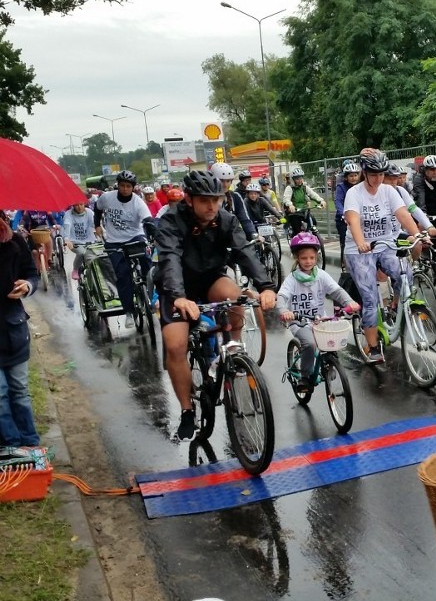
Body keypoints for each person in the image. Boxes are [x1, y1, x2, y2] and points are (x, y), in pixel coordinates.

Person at [155, 170, 277, 440]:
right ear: (189, 199)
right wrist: (178, 296)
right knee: (176, 345)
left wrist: (266, 286)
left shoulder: (226, 219)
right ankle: (187, 410)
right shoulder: (171, 222)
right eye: (204, 201)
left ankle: (232, 353)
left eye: (216, 200)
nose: (212, 207)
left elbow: (245, 251)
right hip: (176, 288)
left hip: (210, 279)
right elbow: (170, 259)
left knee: (235, 298)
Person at [344, 149, 424, 363]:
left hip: (385, 244)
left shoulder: (388, 191)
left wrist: (417, 234)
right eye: (373, 174)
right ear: (364, 172)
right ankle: (372, 347)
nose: (378, 178)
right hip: (359, 250)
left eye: (381, 173)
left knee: (405, 271)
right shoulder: (355, 193)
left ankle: (396, 304)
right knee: (370, 299)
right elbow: (352, 220)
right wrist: (361, 242)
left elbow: (404, 215)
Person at [277, 232, 360, 393]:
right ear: (297, 259)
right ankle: (305, 377)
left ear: (316, 257)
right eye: (304, 258)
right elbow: (281, 296)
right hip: (299, 322)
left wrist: (349, 302)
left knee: (331, 339)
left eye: (311, 258)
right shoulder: (292, 279)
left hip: (319, 320)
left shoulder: (321, 275)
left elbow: (337, 291)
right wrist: (284, 310)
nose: (308, 261)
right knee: (310, 344)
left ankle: (330, 363)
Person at [94, 169, 154, 328]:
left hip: (135, 236)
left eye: (128, 186)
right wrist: (97, 226)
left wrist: (156, 234)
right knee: (123, 276)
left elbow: (147, 219)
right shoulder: (107, 198)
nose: (125, 189)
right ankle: (128, 312)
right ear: (118, 186)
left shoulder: (138, 202)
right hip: (114, 241)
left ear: (133, 187)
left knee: (148, 264)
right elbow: (97, 209)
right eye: (122, 185)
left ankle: (151, 296)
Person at [0, 213, 40, 448]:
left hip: (13, 328)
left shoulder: (15, 241)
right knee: (1, 396)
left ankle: (30, 443)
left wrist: (27, 286)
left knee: (19, 390)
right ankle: (11, 447)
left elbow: (31, 274)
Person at [210, 162, 258, 240]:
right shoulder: (207, 199)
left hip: (232, 238)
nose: (225, 185)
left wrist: (253, 234)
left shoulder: (235, 197)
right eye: (221, 181)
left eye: (228, 181)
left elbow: (245, 220)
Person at [281, 166, 326, 236]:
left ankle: (308, 234)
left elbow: (313, 194)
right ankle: (295, 240)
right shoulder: (289, 188)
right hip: (294, 213)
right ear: (293, 180)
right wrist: (290, 205)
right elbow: (286, 198)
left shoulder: (304, 187)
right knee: (297, 229)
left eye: (301, 178)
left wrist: (321, 201)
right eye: (297, 179)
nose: (300, 180)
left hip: (304, 211)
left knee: (313, 222)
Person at [334, 161, 362, 265]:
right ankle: (344, 264)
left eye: (355, 175)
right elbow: (338, 201)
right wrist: (344, 214)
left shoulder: (360, 187)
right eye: (351, 176)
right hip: (343, 220)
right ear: (346, 177)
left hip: (358, 218)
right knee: (345, 242)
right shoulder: (341, 187)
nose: (354, 178)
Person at [62, 201, 96, 281]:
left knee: (96, 256)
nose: (79, 207)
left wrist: (99, 229)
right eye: (77, 205)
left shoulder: (90, 212)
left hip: (89, 240)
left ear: (84, 204)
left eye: (81, 204)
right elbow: (67, 225)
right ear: (73, 205)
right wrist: (67, 239)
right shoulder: (68, 214)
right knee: (81, 253)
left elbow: (94, 223)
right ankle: (75, 269)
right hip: (74, 241)